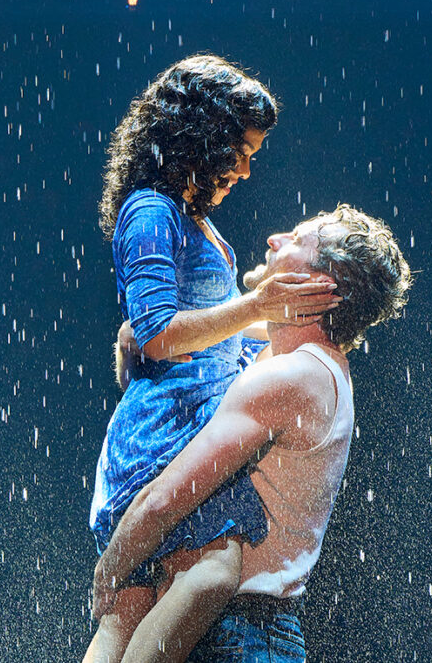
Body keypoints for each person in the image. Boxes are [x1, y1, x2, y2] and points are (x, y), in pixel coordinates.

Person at [85, 55, 343, 663]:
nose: (247, 171)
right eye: (242, 151)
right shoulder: (152, 210)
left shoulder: (192, 221)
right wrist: (259, 305)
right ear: (202, 136)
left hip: (177, 421)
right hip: (165, 433)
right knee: (215, 570)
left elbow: (190, 334)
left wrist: (283, 327)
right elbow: (157, 335)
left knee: (131, 607)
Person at [93, 205, 412, 662]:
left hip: (239, 632)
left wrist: (108, 573)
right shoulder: (281, 356)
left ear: (318, 286)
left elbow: (165, 499)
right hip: (223, 625)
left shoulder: (296, 376)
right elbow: (173, 387)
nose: (274, 239)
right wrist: (140, 347)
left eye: (298, 240)